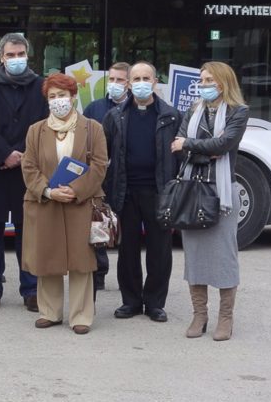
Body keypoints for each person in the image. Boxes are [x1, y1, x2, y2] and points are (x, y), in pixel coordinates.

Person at [20, 73, 107, 334]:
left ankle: (81, 316)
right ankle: (50, 311)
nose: (58, 101)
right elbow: (29, 166)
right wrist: (47, 191)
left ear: (73, 96)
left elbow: (100, 166)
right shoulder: (36, 130)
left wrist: (75, 189)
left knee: (82, 261)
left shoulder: (93, 128)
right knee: (48, 257)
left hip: (80, 203)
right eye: (52, 97)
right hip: (46, 202)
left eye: (63, 95)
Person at [171, 62, 248, 341]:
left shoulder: (239, 111)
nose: (204, 85)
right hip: (193, 189)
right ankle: (199, 315)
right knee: (194, 255)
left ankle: (225, 318)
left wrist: (191, 145)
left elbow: (225, 144)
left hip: (223, 192)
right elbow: (177, 149)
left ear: (224, 82)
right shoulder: (193, 110)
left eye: (209, 80)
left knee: (225, 255)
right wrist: (203, 149)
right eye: (201, 80)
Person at [0, 33, 48, 312]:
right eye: (10, 55)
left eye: (20, 54)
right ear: (1, 57)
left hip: (26, 170)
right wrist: (4, 154)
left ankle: (30, 289)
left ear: (27, 55)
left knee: (27, 232)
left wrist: (22, 156)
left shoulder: (40, 85)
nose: (16, 60)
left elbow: (43, 125)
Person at [103, 62, 181, 323]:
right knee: (128, 249)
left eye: (146, 77)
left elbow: (180, 155)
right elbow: (105, 155)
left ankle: (156, 303)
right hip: (126, 191)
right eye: (135, 78)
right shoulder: (115, 116)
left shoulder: (171, 116)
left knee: (160, 249)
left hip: (160, 192)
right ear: (128, 83)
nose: (141, 82)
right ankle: (131, 301)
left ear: (155, 81)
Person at [82, 62, 129, 292]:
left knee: (126, 231)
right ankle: (99, 274)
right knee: (98, 224)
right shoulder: (94, 108)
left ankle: (128, 281)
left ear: (128, 83)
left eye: (120, 80)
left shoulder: (133, 108)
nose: (115, 84)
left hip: (126, 179)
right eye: (112, 79)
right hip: (99, 178)